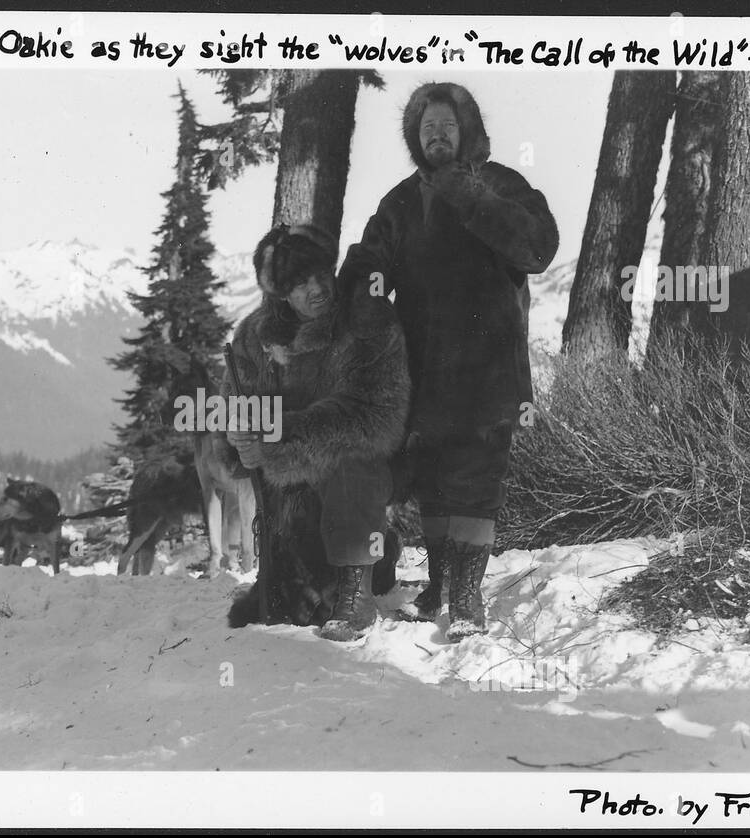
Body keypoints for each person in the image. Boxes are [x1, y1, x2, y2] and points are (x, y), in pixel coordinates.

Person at [337, 82, 559, 636]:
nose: (436, 135)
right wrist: (364, 290)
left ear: (468, 130)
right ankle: (439, 586)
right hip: (425, 364)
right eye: (426, 128)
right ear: (416, 137)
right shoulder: (401, 201)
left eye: (447, 126)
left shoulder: (502, 183)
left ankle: (466, 598)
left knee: (478, 480)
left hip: (490, 367)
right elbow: (371, 259)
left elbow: (537, 248)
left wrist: (472, 198)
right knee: (437, 479)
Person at [219, 224, 410, 639]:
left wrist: (273, 440)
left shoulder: (366, 321)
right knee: (289, 604)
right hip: (287, 492)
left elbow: (373, 419)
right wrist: (240, 441)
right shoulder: (254, 336)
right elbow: (236, 409)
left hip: (356, 472)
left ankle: (356, 594)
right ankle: (355, 560)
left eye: (322, 274)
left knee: (349, 465)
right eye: (300, 283)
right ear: (281, 294)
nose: (318, 289)